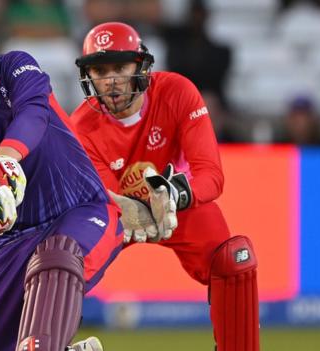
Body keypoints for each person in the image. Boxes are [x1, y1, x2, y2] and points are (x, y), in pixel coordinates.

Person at [0, 8, 122, 351]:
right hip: (12, 242)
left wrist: (4, 158)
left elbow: (34, 112)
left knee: (57, 257)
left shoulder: (16, 67)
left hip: (79, 210)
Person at [69, 22, 260, 351]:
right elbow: (110, 199)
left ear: (140, 66)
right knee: (63, 266)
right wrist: (136, 207)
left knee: (232, 259)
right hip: (120, 211)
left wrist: (174, 194)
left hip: (176, 205)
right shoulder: (81, 127)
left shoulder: (177, 91)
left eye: (120, 67)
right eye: (100, 70)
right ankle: (47, 343)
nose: (111, 80)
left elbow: (211, 174)